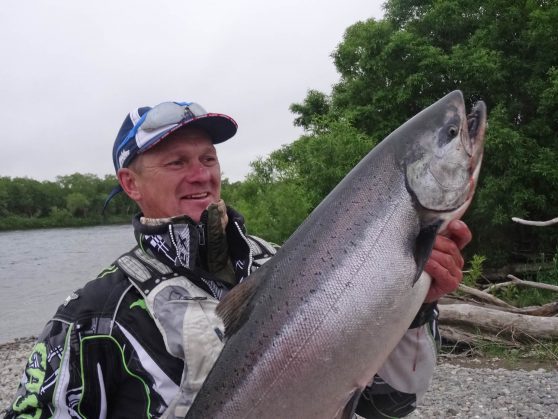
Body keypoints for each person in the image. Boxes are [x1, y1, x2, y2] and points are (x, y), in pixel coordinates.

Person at [4, 100, 471, 418]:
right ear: (131, 184)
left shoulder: (291, 266)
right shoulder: (92, 316)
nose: (200, 175)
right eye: (176, 162)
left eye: (208, 159)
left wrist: (418, 309)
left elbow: (390, 405)